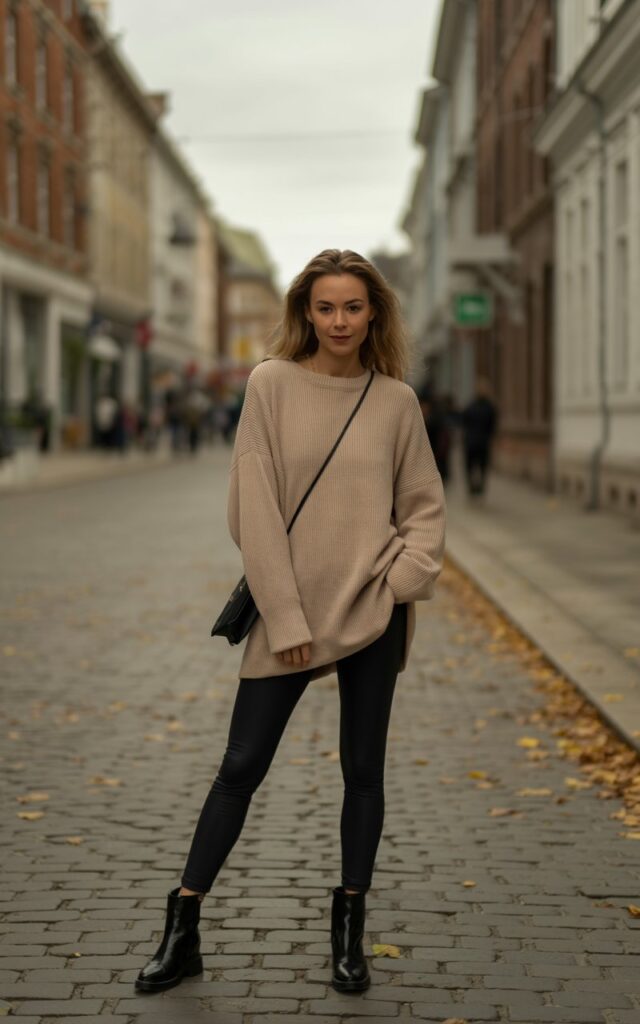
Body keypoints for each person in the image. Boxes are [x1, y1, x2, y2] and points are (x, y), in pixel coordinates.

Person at [134, 249, 447, 996]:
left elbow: (425, 510)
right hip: (291, 615)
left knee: (362, 772)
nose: (340, 321)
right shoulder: (269, 384)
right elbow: (254, 506)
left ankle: (348, 937)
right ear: (306, 312)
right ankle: (182, 930)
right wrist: (283, 611)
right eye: (326, 307)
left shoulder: (395, 401)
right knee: (240, 768)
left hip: (373, 611)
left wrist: (397, 582)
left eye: (353, 307)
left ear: (374, 315)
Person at [461, 377, 498, 497]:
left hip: (475, 442)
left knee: (475, 467)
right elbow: (492, 426)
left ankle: (476, 488)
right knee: (478, 467)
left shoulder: (473, 406)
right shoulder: (488, 407)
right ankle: (476, 488)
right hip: (478, 442)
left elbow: (464, 422)